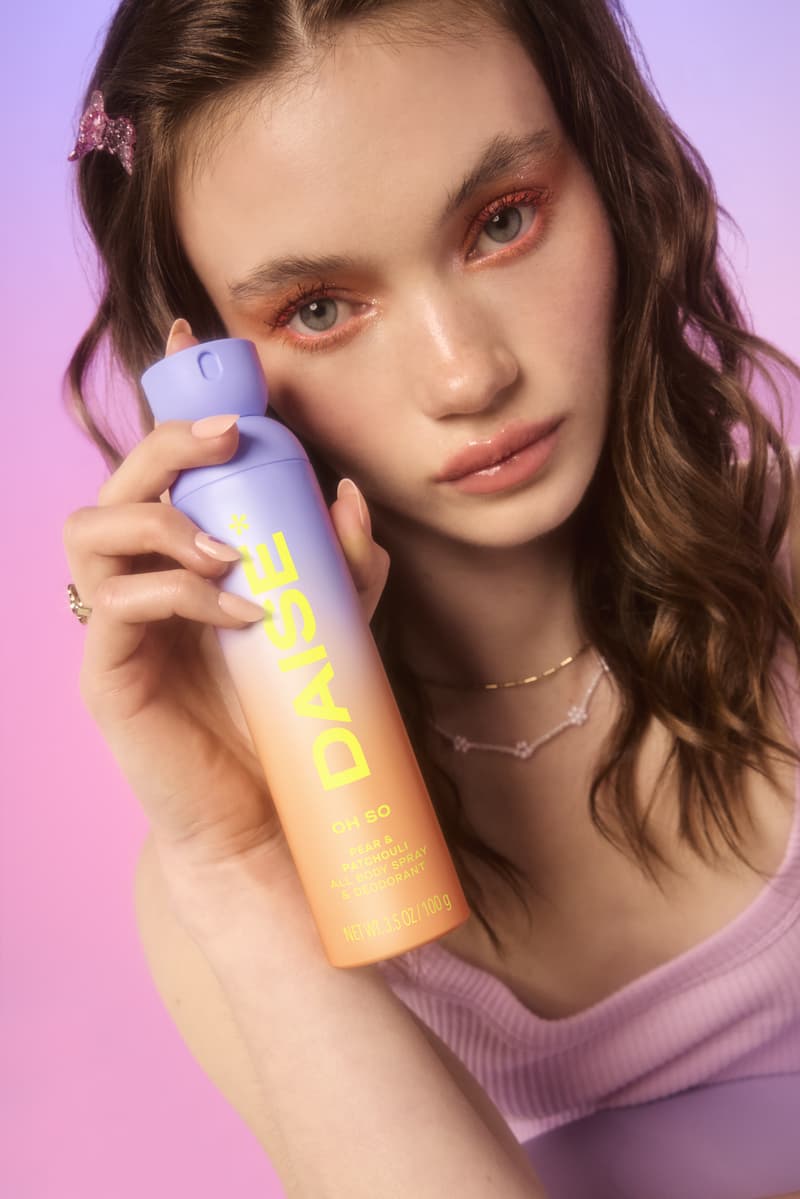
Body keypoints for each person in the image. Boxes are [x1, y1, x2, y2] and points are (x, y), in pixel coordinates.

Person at [61, 1, 800, 1195]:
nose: (467, 374)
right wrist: (241, 868)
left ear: (608, 170)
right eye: (317, 307)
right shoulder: (229, 863)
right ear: (203, 364)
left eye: (501, 221)